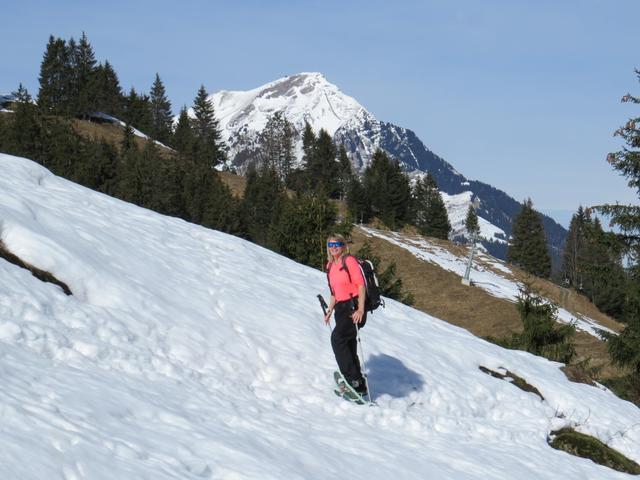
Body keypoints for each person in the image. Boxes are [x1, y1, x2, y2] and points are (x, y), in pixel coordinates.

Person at [323, 234, 368, 396]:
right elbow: (334, 292)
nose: (333, 247)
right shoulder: (330, 266)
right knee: (348, 345)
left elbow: (361, 285)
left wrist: (361, 309)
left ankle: (352, 379)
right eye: (330, 244)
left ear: (343, 246)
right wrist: (329, 310)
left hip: (354, 307)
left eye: (337, 244)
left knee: (337, 339)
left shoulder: (349, 261)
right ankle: (360, 386)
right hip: (340, 310)